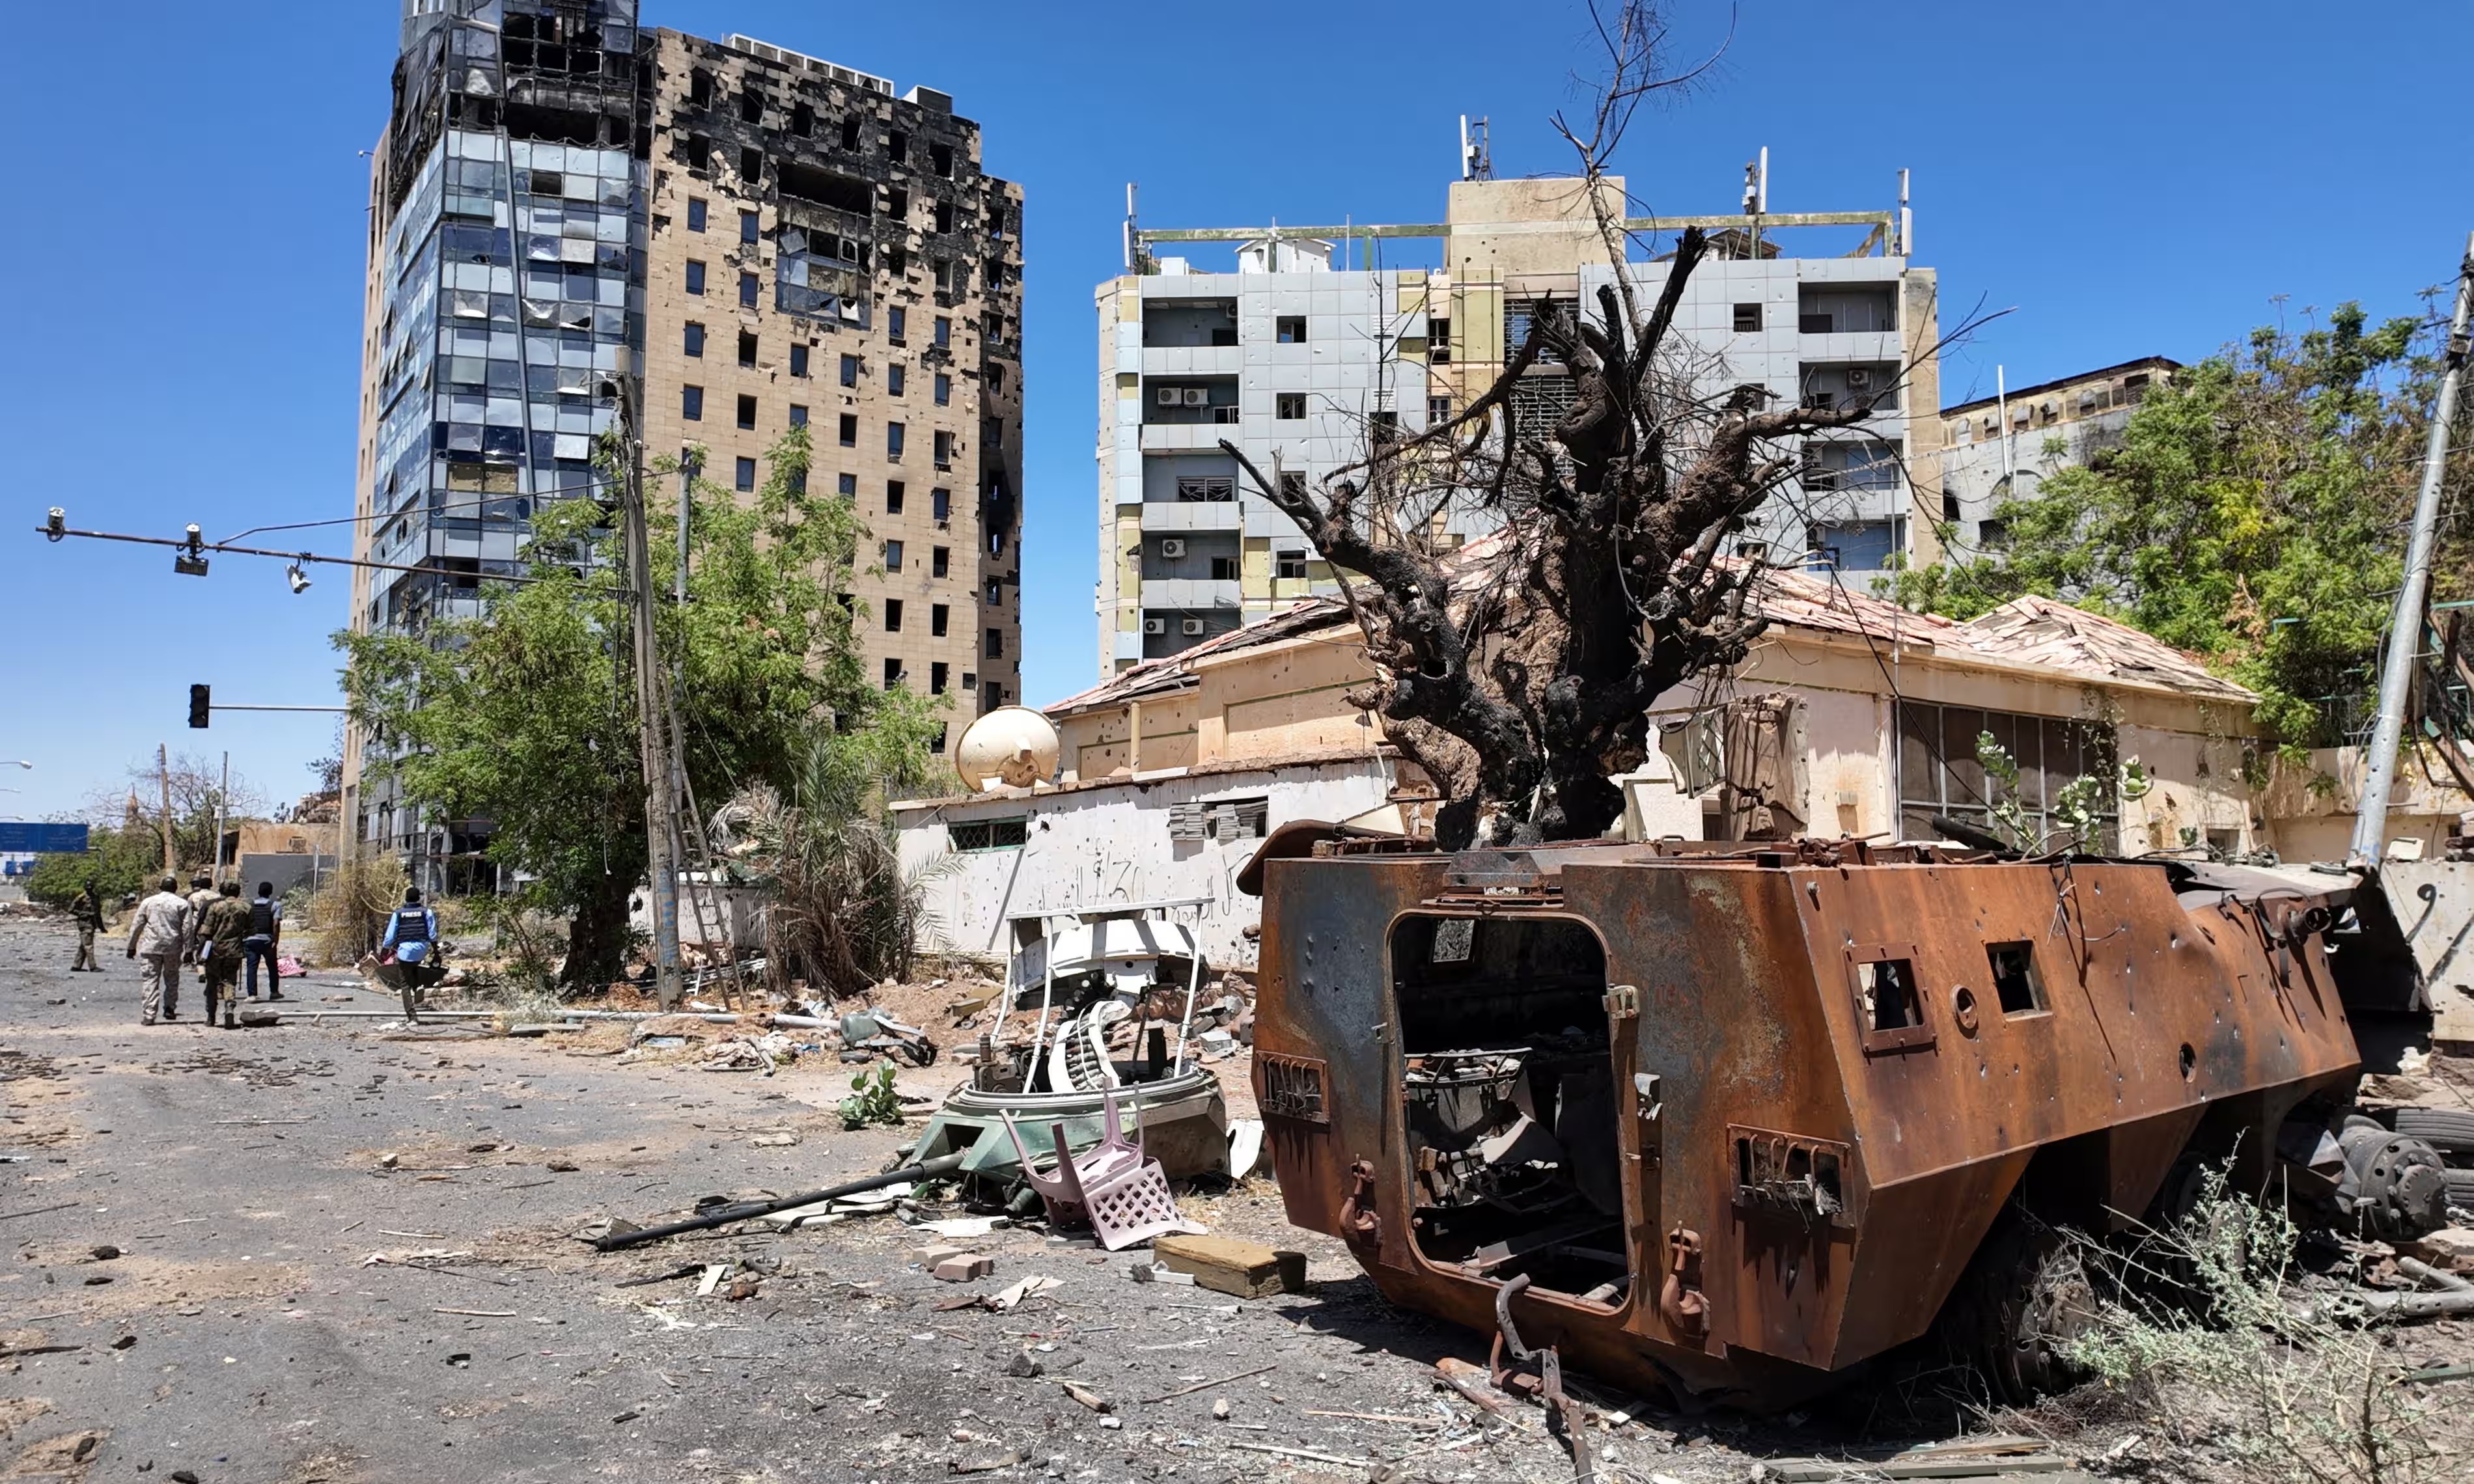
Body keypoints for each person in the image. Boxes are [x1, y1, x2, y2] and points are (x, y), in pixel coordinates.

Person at [125, 875, 191, 1025]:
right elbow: (188, 929)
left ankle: (149, 1015)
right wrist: (189, 950)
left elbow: (137, 925)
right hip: (173, 947)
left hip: (151, 947)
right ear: (175, 889)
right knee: (172, 979)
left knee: (150, 980)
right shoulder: (182, 904)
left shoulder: (148, 902)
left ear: (160, 888)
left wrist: (131, 946)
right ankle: (170, 1007)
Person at [195, 880, 251, 1029]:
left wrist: (199, 951)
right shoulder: (246, 908)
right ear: (238, 892)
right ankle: (229, 1009)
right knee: (229, 981)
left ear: (222, 892)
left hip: (215, 950)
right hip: (234, 950)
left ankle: (211, 1017)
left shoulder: (215, 907)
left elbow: (206, 932)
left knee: (212, 983)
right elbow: (252, 930)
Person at [382, 887, 441, 1021]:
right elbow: (432, 934)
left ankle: (412, 1018)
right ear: (418, 898)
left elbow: (390, 935)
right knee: (414, 967)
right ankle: (418, 985)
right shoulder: (427, 912)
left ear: (406, 899)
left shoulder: (398, 913)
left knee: (404, 984)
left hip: (404, 951)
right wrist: (436, 953)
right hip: (421, 949)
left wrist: (385, 949)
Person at [242, 881, 286, 1002]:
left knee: (252, 967)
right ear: (270, 892)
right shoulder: (275, 905)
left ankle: (252, 994)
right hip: (267, 940)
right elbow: (276, 924)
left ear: (258, 892)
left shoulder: (249, 905)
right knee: (272, 967)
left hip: (250, 940)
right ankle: (274, 992)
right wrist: (275, 941)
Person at [69, 880, 107, 972]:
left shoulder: (96, 898)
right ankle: (93, 967)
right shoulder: (81, 898)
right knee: (88, 946)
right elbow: (71, 909)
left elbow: (98, 914)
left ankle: (76, 966)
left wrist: (102, 927)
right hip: (84, 923)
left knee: (84, 945)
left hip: (92, 924)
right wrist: (83, 914)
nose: (89, 890)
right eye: (88, 889)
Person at [182, 872, 217, 969]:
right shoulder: (216, 896)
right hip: (213, 922)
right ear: (211, 885)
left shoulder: (193, 896)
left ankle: (197, 962)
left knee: (195, 942)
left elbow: (189, 911)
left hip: (196, 920)